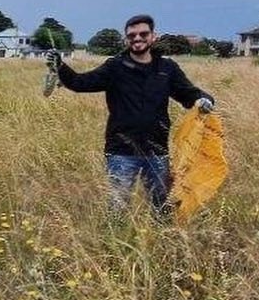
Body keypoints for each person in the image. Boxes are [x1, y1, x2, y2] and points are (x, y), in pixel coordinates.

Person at [46, 14, 214, 212]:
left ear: (153, 36)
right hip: (121, 153)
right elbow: (80, 83)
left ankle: (161, 239)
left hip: (157, 151)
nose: (137, 38)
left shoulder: (167, 69)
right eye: (132, 35)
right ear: (126, 39)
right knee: (118, 209)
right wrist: (60, 66)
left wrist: (205, 100)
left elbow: (188, 94)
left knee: (162, 207)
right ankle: (113, 241)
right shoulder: (114, 67)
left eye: (143, 34)